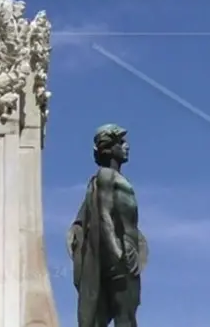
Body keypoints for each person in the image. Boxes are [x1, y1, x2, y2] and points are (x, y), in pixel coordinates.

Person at [67, 123, 146, 326]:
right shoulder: (106, 175)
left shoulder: (114, 178)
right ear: (109, 148)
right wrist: (117, 252)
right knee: (125, 313)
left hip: (127, 250)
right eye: (121, 142)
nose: (127, 146)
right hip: (119, 255)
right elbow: (104, 215)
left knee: (128, 310)